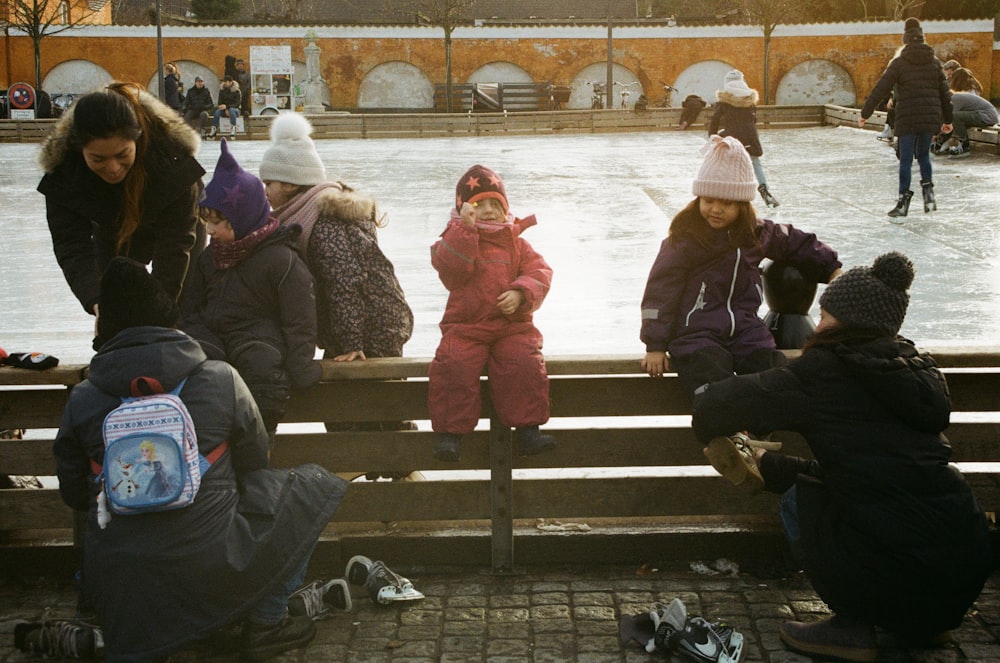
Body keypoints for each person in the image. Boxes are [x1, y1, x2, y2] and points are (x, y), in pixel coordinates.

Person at [690, 252, 992, 662]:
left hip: (898, 569)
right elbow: (872, 475)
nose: (820, 322)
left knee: (800, 502)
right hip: (963, 570)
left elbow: (719, 407)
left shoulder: (825, 369)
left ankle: (852, 627)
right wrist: (772, 467)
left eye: (826, 313)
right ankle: (924, 624)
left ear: (842, 319)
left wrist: (703, 390)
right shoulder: (916, 371)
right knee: (881, 504)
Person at [53, 256, 348, 663]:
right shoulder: (219, 377)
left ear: (105, 327)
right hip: (214, 564)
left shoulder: (83, 397)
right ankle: (266, 623)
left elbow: (74, 491)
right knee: (312, 486)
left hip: (121, 578)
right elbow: (254, 460)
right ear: (166, 316)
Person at [640, 135, 841, 469]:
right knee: (711, 371)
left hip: (745, 327)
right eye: (709, 199)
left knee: (771, 367)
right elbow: (660, 290)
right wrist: (655, 344)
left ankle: (749, 439)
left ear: (743, 204)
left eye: (727, 202)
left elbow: (797, 242)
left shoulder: (756, 234)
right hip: (696, 331)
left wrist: (831, 267)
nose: (716, 209)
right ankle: (728, 439)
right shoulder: (684, 239)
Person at [37, 82, 206, 337]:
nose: (113, 168)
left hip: (176, 228)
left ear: (137, 139)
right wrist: (98, 302)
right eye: (98, 159)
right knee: (113, 306)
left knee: (176, 310)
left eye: (122, 154)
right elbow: (72, 246)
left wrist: (161, 315)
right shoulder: (65, 171)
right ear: (78, 148)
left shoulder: (172, 160)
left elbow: (176, 246)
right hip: (113, 227)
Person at [180, 139, 321, 438]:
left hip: (260, 341)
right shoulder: (209, 258)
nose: (210, 231)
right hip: (215, 338)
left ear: (243, 218)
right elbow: (189, 308)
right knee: (201, 365)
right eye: (207, 222)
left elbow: (300, 318)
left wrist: (302, 366)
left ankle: (259, 441)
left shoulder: (281, 259)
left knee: (262, 365)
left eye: (220, 223)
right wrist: (198, 336)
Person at [259, 113, 413, 367]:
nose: (265, 192)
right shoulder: (307, 215)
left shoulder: (325, 224)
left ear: (289, 184)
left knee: (374, 398)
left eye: (269, 183)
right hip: (360, 325)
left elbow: (344, 280)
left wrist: (352, 342)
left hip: (374, 328)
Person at [428, 165, 556, 462]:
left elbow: (541, 273)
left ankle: (528, 431)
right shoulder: (452, 239)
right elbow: (452, 272)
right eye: (477, 205)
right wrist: (465, 230)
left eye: (493, 204)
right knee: (453, 365)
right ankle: (449, 435)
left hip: (511, 327)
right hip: (466, 327)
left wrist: (521, 292)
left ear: (505, 209)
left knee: (523, 362)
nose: (486, 210)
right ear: (462, 210)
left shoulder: (518, 243)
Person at [859, 18, 952, 218]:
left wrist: (865, 113)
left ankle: (903, 203)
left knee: (906, 160)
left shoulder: (899, 63)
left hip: (907, 117)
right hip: (929, 117)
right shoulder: (935, 63)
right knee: (924, 155)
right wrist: (948, 120)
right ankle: (928, 193)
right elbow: (945, 94)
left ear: (906, 40)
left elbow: (880, 88)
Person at [708, 69, 779, 208]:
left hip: (731, 135)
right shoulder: (750, 101)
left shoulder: (724, 101)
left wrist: (713, 135)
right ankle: (764, 188)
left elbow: (714, 120)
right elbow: (753, 120)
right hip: (750, 136)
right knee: (755, 161)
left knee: (727, 160)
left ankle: (729, 192)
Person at [940, 67, 997, 158]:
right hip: (985, 114)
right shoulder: (956, 97)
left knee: (954, 117)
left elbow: (950, 119)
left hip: (987, 115)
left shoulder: (955, 99)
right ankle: (957, 143)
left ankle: (963, 144)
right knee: (956, 118)